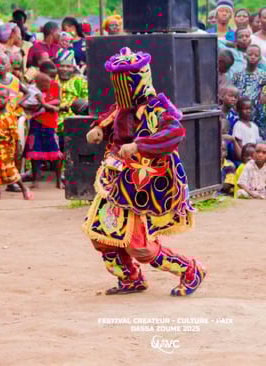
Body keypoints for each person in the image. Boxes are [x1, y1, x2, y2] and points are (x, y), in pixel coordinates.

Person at [82, 47, 206, 296]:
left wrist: (139, 146)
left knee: (139, 246)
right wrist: (98, 129)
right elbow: (111, 119)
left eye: (123, 83)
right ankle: (130, 278)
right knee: (101, 237)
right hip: (115, 181)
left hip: (140, 185)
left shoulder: (156, 108)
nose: (119, 89)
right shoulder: (122, 107)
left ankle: (190, 269)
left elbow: (175, 132)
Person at [0, 87, 32, 200]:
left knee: (9, 169)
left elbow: (15, 137)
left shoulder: (10, 116)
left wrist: (17, 151)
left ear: (8, 99)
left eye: (3, 97)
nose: (0, 100)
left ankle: (24, 189)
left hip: (7, 147)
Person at [23, 73, 63, 188]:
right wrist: (45, 106)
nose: (49, 84)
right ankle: (35, 181)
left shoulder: (55, 85)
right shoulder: (32, 89)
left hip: (50, 124)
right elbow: (29, 105)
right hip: (36, 122)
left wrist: (45, 105)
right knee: (34, 152)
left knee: (55, 153)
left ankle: (58, 181)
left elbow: (58, 101)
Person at [232, 44, 266, 138]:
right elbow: (232, 91)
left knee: (257, 138)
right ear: (245, 55)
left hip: (257, 112)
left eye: (256, 55)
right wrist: (234, 105)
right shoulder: (238, 74)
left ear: (260, 58)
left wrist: (265, 98)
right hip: (240, 112)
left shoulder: (263, 75)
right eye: (250, 54)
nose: (253, 57)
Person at [57, 56, 88, 152]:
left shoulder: (79, 81)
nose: (65, 69)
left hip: (72, 123)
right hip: (51, 122)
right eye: (62, 66)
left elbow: (86, 102)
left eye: (68, 66)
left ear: (73, 68)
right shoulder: (51, 79)